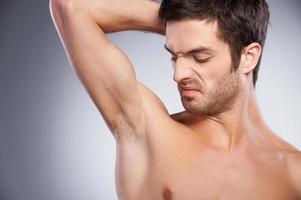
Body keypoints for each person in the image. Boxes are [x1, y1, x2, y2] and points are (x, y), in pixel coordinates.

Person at [49, 0, 301, 199]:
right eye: (174, 56)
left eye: (200, 57)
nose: (178, 74)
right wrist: (183, 22)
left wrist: (223, 24)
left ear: (249, 57)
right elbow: (70, 6)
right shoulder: (147, 131)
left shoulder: (294, 175)